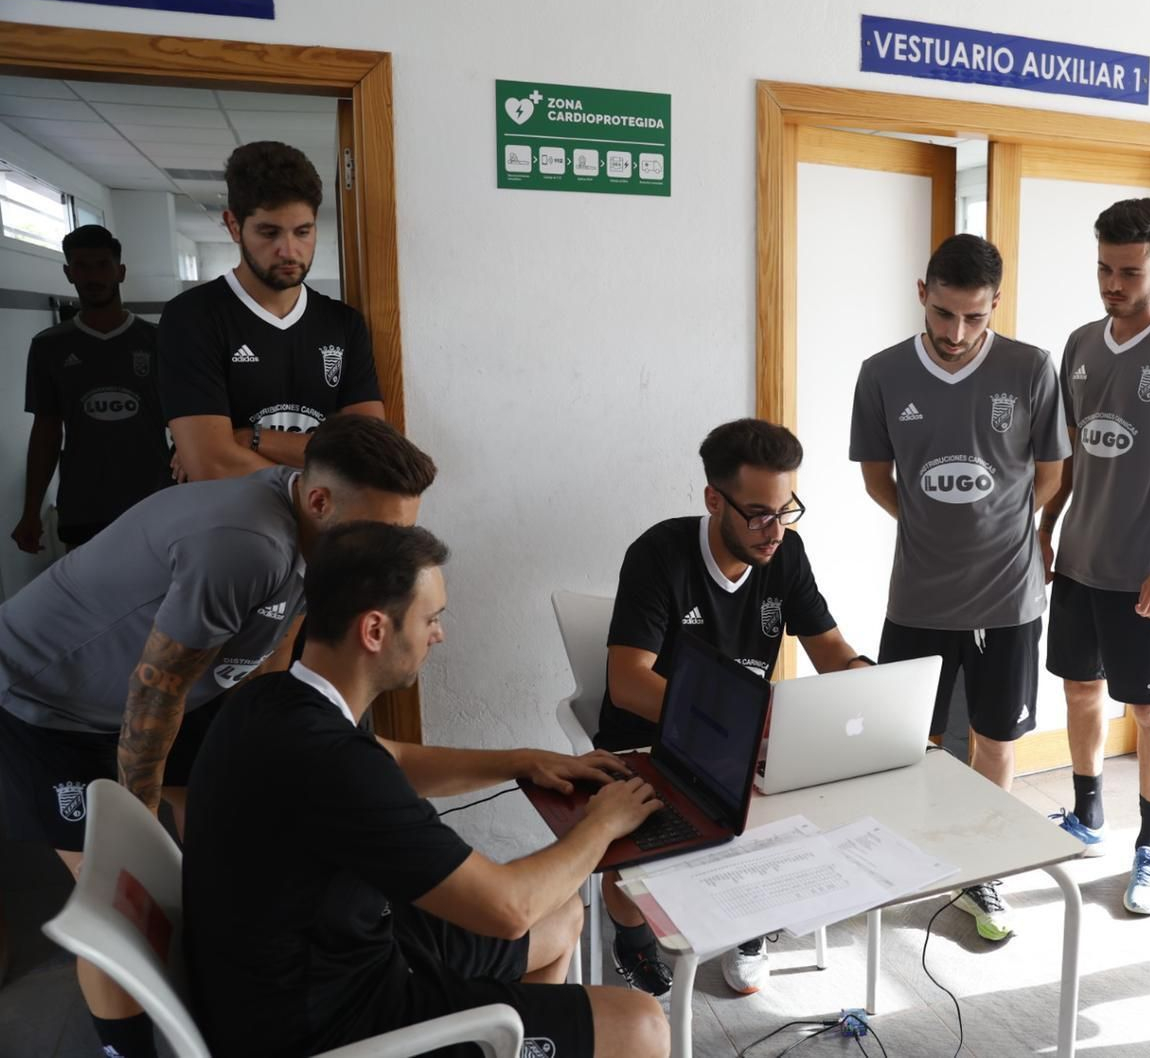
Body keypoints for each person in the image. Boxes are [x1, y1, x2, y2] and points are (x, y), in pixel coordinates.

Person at [0, 415, 434, 1058]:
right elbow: (156, 693)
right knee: (121, 895)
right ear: (318, 500)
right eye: (385, 531)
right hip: (43, 707)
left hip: (157, 695)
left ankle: (222, 998)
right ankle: (127, 1049)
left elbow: (272, 653)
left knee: (238, 828)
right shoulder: (244, 545)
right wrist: (139, 828)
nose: (396, 554)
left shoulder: (330, 544)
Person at [183, 522, 668, 1058]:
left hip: (325, 952)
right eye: (430, 619)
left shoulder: (274, 699)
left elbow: (396, 758)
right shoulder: (333, 764)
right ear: (374, 630)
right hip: (326, 1024)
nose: (438, 634)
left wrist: (520, 762)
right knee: (640, 1025)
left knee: (563, 916)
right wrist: (602, 824)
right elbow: (507, 908)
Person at [594, 418, 872, 997]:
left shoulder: (786, 552)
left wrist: (862, 681)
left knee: (804, 807)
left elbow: (829, 648)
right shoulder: (658, 554)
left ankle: (750, 929)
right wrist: (738, 723)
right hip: (647, 741)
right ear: (714, 499)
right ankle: (631, 939)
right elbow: (627, 684)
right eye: (758, 514)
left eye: (786, 508)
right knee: (632, 846)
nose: (775, 529)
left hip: (744, 746)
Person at [849, 233, 1068, 943]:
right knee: (908, 741)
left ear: (994, 304)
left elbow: (1049, 473)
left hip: (1009, 595)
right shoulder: (881, 374)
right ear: (923, 294)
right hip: (918, 594)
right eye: (945, 315)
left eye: (974, 317)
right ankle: (912, 855)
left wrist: (1000, 524)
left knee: (996, 737)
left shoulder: (1031, 367)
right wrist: (934, 523)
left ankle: (984, 871)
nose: (956, 333)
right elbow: (878, 478)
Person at [1038, 198, 1150, 916]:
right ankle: (1087, 816)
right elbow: (1076, 452)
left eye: (1129, 271)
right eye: (1104, 269)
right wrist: (1049, 523)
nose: (1113, 284)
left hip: (1145, 569)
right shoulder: (1080, 344)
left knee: (1147, 712)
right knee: (1080, 692)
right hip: (1080, 562)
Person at [160, 140, 384, 482]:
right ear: (234, 226)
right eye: (269, 232)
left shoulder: (344, 324)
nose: (288, 250)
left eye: (302, 232)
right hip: (229, 528)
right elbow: (211, 465)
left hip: (321, 534)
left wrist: (249, 438)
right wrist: (324, 487)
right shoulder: (192, 317)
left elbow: (368, 451)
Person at [11, 224, 169, 554]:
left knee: (157, 599)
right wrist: (30, 512)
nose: (93, 277)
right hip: (83, 503)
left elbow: (187, 425)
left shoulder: (159, 341)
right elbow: (46, 432)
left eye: (102, 265)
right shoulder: (48, 347)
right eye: (82, 266)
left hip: (153, 499)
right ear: (69, 273)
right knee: (89, 601)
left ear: (120, 272)